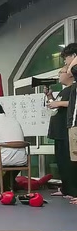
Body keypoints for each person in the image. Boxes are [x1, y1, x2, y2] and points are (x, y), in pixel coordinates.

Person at [49, 46, 77, 197]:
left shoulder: (73, 87)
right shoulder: (64, 90)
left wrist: (58, 103)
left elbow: (72, 103)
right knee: (62, 162)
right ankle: (66, 188)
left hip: (67, 129)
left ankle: (73, 190)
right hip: (61, 129)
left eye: (61, 72)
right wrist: (50, 97)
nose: (60, 75)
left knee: (70, 162)